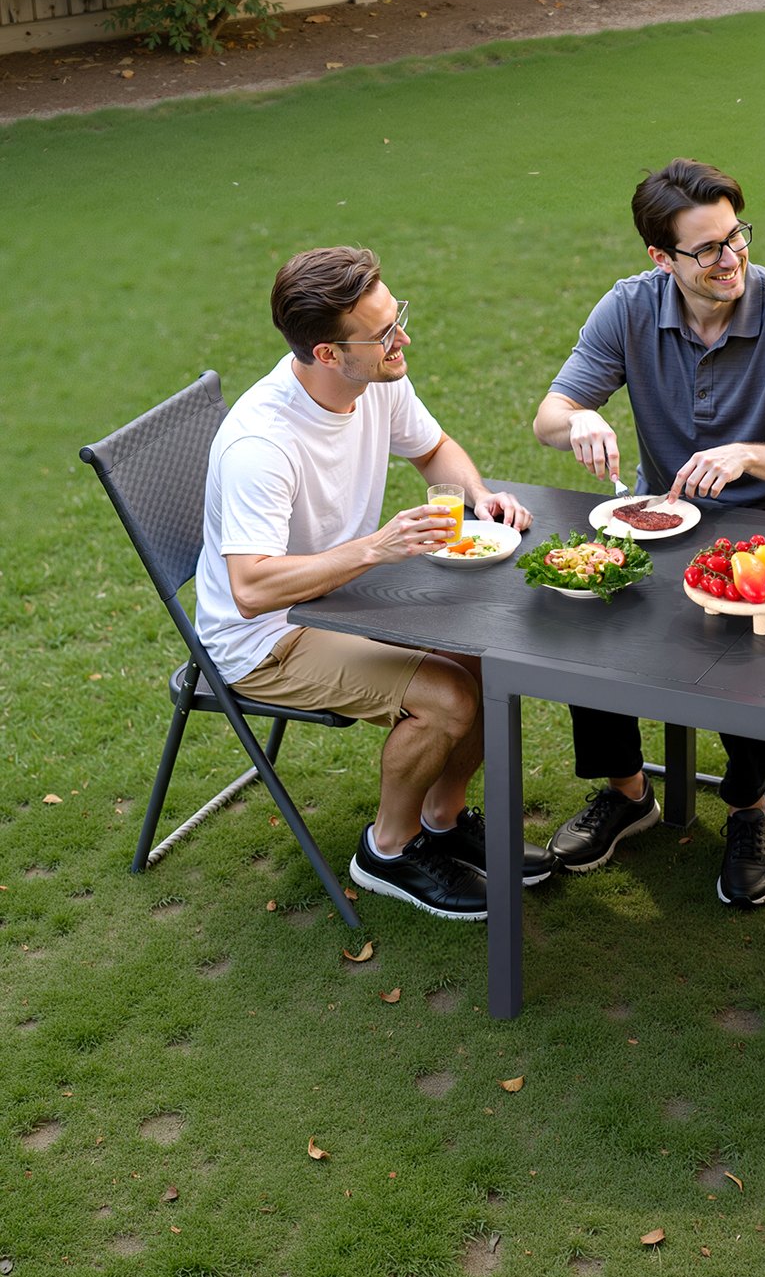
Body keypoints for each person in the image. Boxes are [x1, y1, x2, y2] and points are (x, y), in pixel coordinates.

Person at [533, 158, 765, 906]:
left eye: (736, 236)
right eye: (707, 249)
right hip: (669, 513)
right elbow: (550, 416)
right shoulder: (628, 307)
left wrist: (750, 453)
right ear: (661, 258)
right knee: (587, 600)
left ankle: (748, 808)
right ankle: (627, 792)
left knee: (749, 631)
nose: (731, 258)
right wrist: (580, 417)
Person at [195, 246, 554, 921]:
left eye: (398, 317)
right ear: (328, 354)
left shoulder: (377, 379)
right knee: (448, 696)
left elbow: (433, 448)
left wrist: (479, 495)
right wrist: (374, 549)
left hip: (336, 600)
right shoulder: (261, 446)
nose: (402, 339)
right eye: (384, 332)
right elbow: (251, 588)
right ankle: (388, 849)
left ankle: (442, 821)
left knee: (488, 653)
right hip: (267, 638)